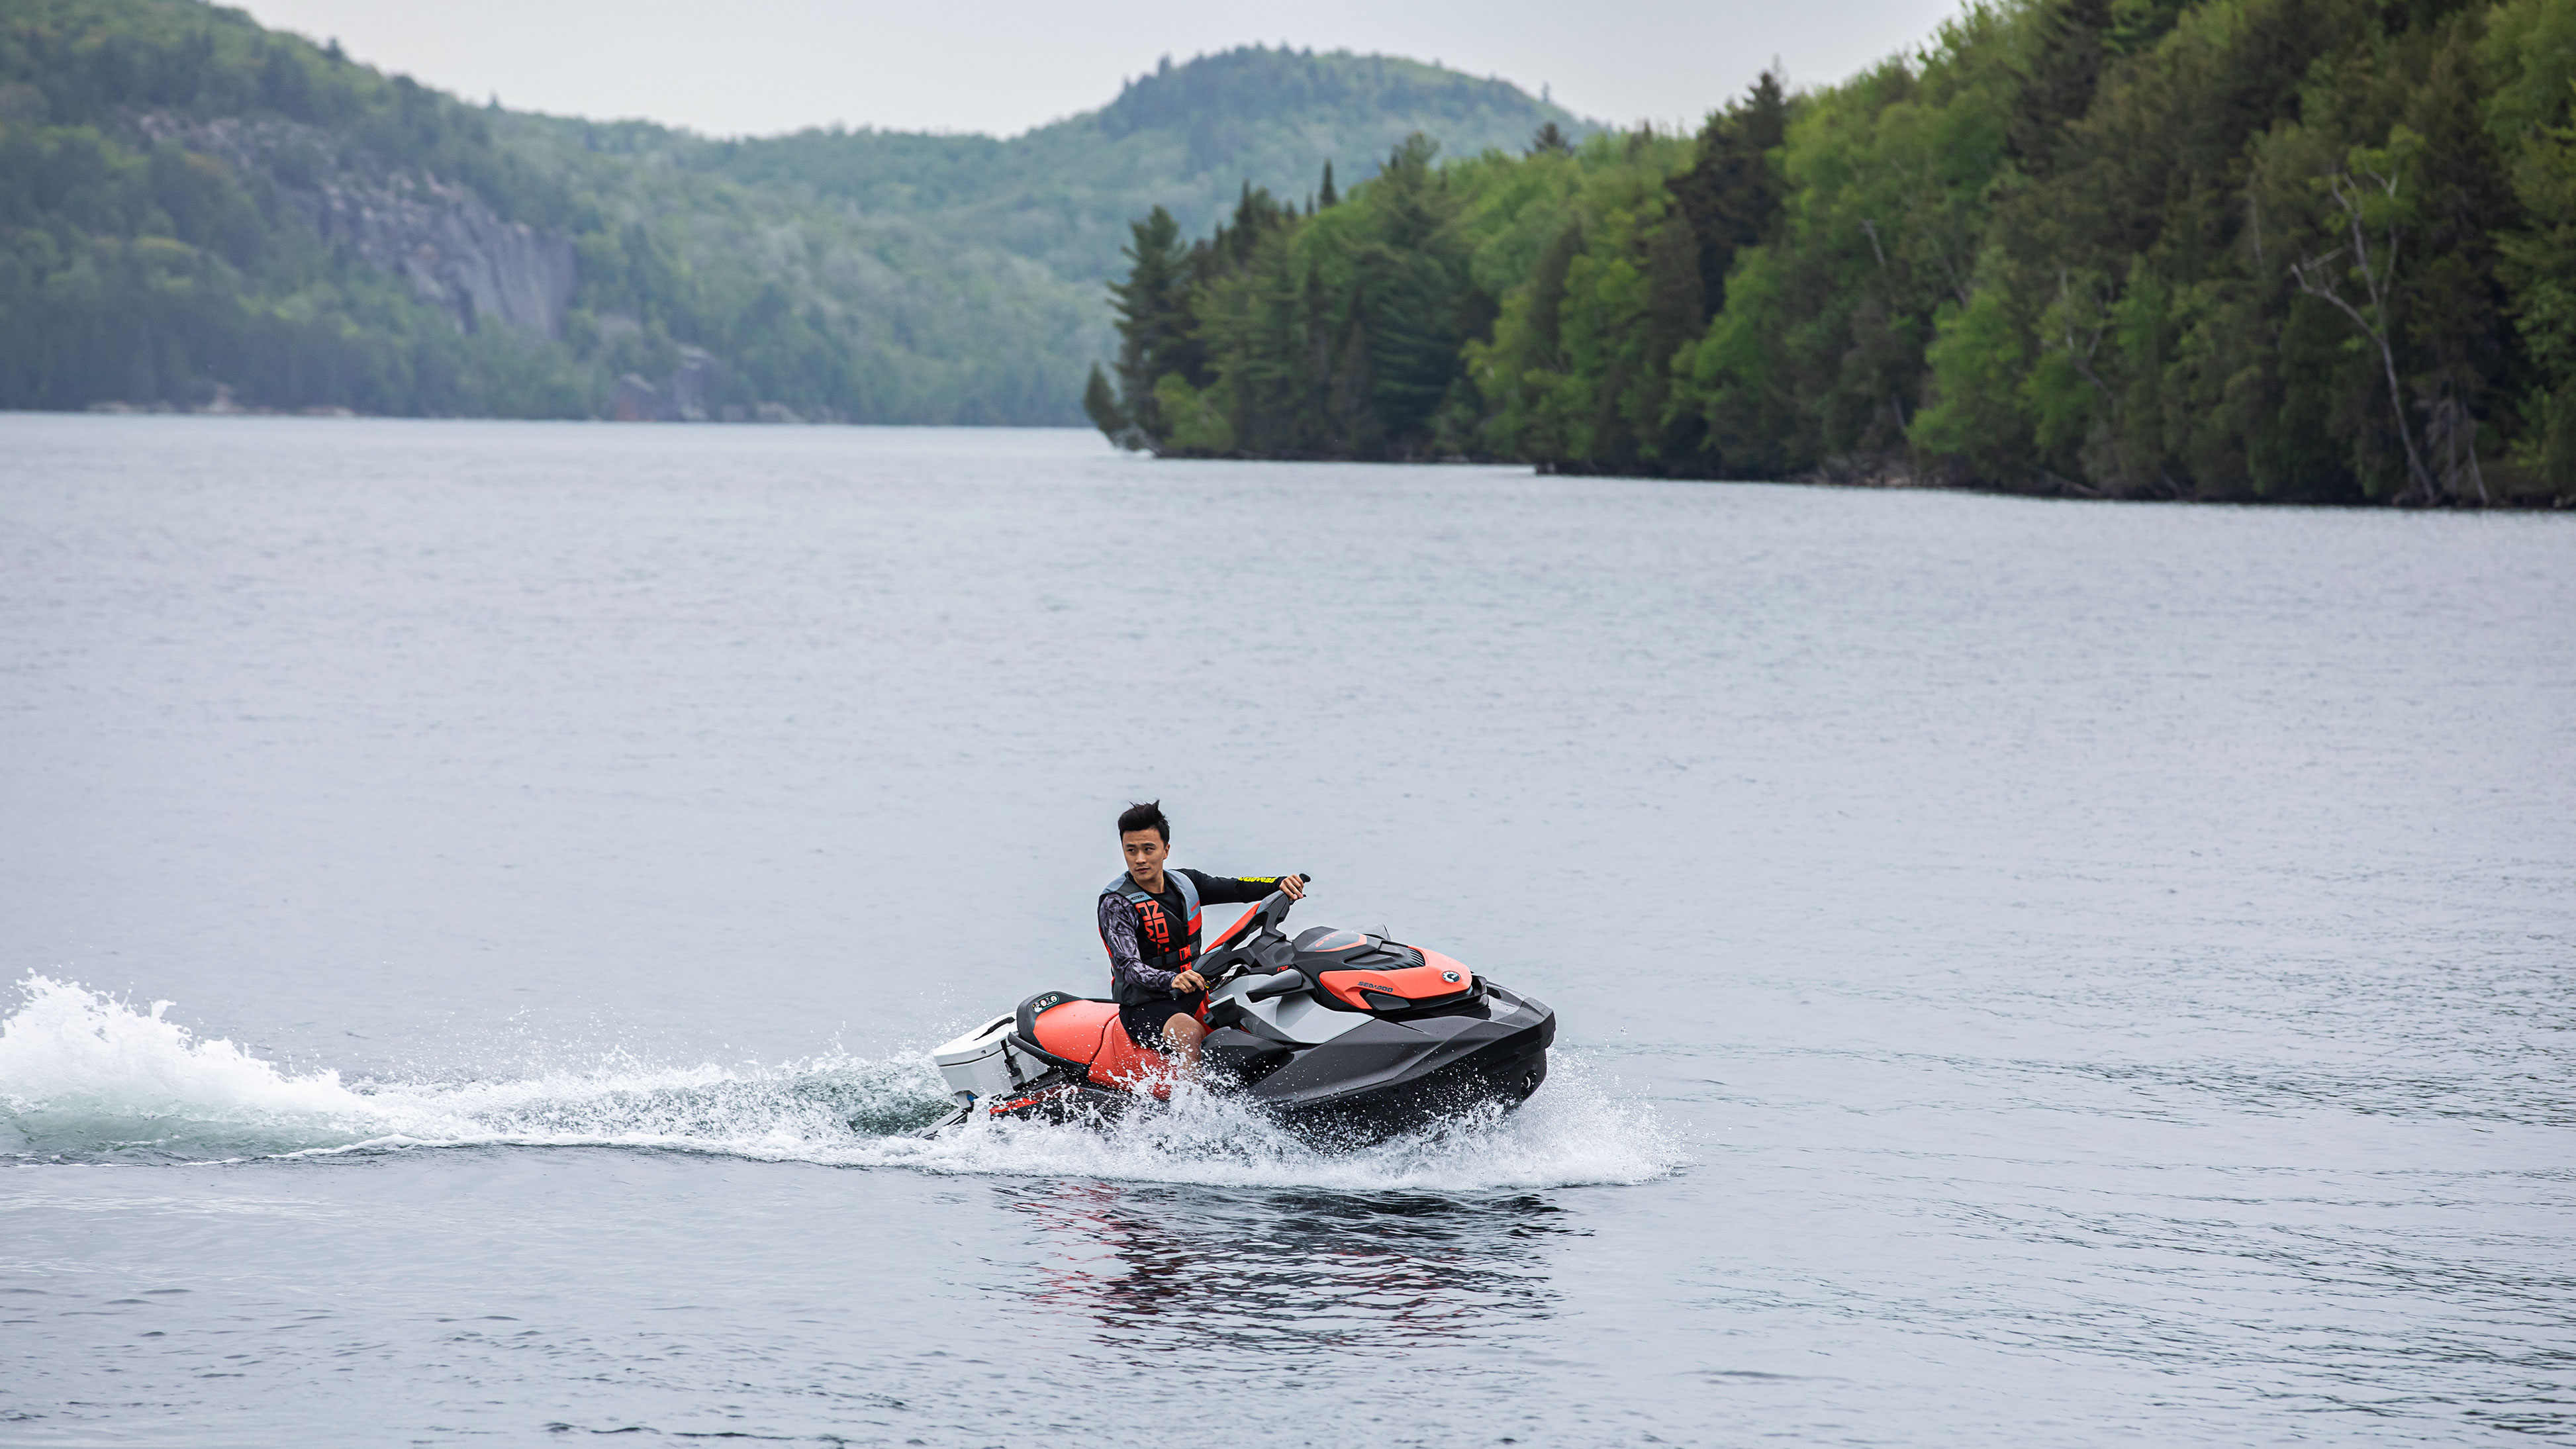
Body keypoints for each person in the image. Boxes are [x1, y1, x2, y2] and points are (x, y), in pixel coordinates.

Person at [1098, 800, 1304, 1070]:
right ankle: (1191, 1111)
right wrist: (1172, 979)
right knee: (1189, 1034)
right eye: (1131, 850)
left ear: (1165, 850)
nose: (1140, 859)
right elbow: (1129, 967)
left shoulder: (1186, 883)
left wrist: (1279, 883)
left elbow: (1237, 889)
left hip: (1195, 989)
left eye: (1149, 849)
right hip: (1144, 1006)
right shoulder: (1117, 903)